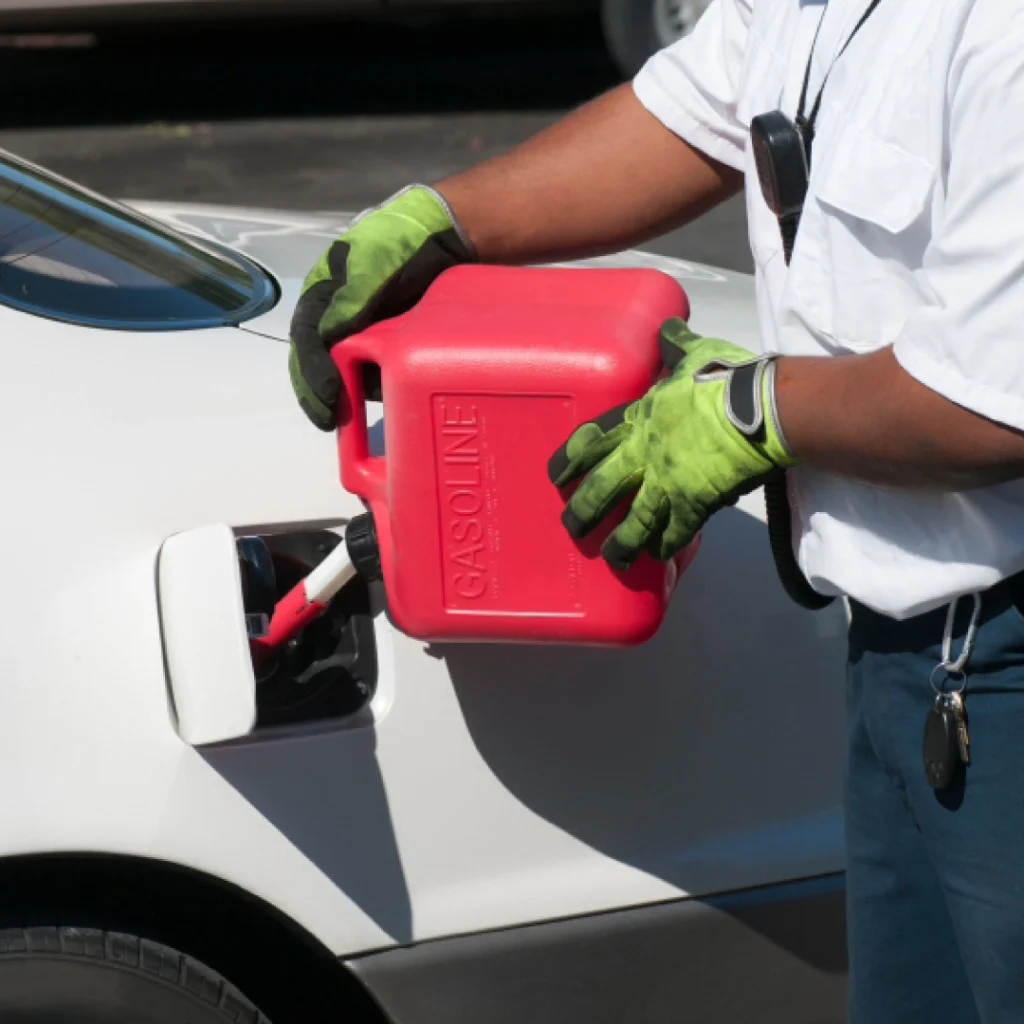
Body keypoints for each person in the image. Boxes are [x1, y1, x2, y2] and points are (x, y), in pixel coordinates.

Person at [289, 1, 1024, 1020]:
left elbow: (998, 400)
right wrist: (443, 223)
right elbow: (690, 114)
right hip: (902, 667)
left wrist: (751, 410)